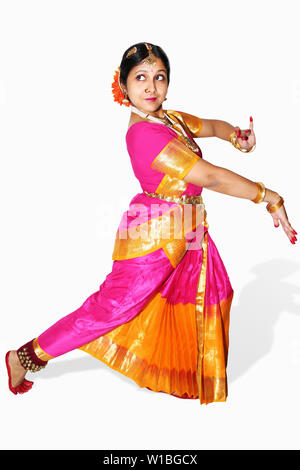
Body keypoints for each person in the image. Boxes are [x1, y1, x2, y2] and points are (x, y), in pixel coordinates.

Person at [5, 42, 297, 405]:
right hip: (153, 232)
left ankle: (188, 373)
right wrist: (268, 197)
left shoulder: (168, 118)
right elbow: (210, 177)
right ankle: (25, 357)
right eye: (140, 78)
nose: (151, 87)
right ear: (123, 87)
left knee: (204, 293)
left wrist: (236, 136)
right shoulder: (144, 134)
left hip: (190, 226)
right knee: (109, 309)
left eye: (159, 77)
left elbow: (209, 125)